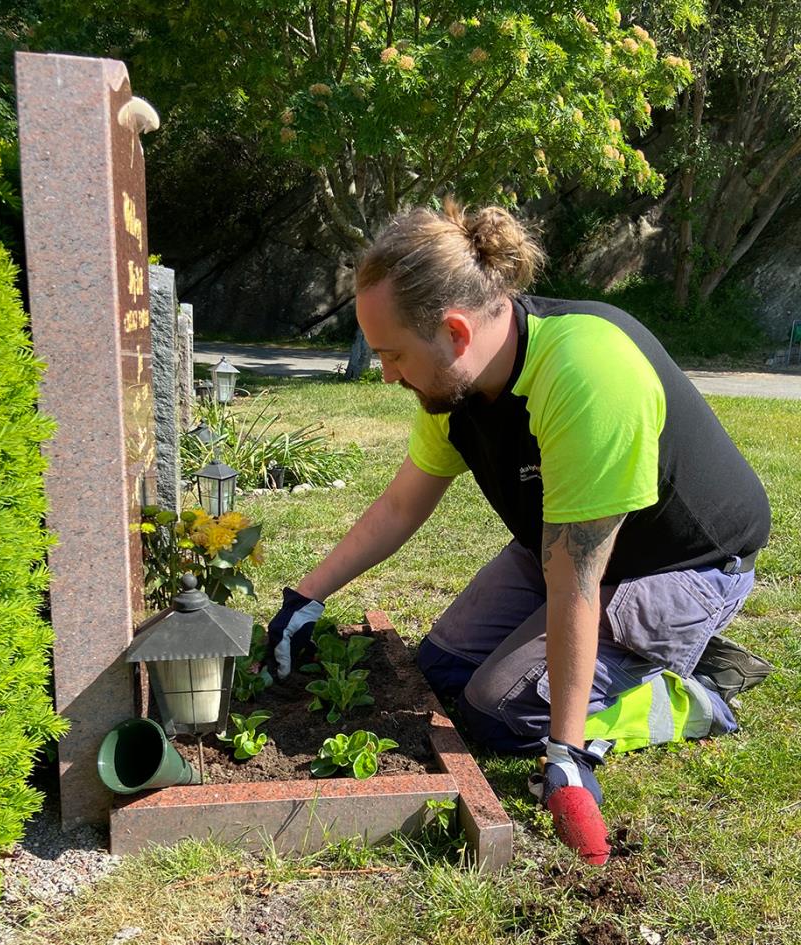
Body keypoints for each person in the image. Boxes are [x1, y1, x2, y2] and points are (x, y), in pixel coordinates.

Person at [262, 200, 773, 865]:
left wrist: (566, 752)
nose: (386, 373)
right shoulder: (451, 386)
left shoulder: (584, 373)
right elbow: (399, 506)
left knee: (499, 712)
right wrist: (305, 597)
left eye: (392, 354)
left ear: (453, 330)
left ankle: (689, 693)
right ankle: (629, 661)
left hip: (679, 564)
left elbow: (577, 580)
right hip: (563, 541)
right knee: (441, 672)